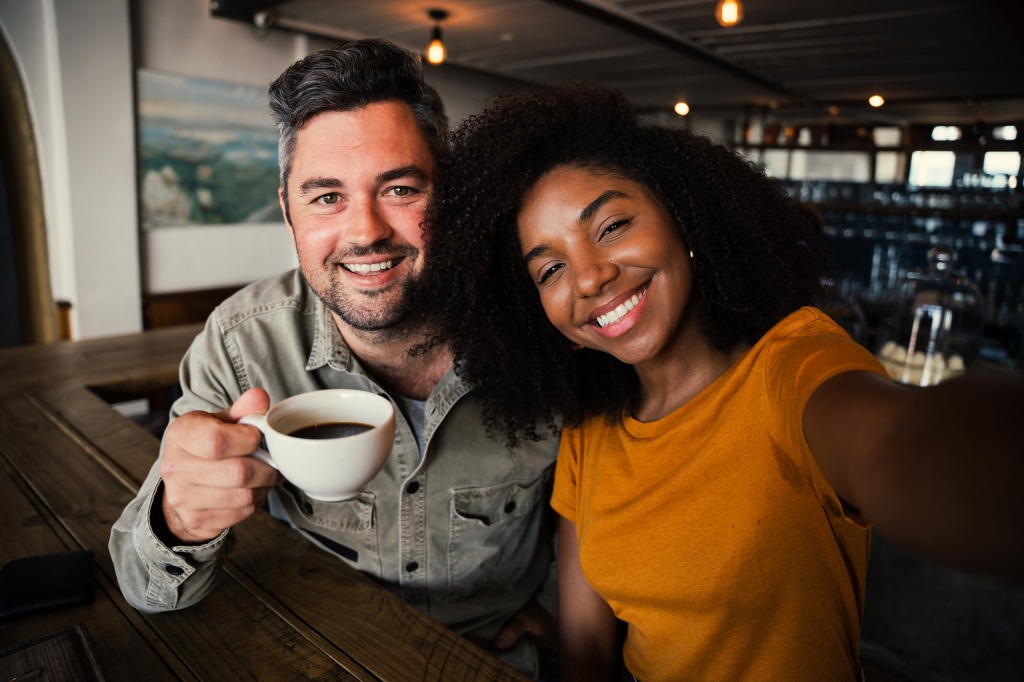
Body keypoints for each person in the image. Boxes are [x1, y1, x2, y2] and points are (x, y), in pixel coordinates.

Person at [423, 83, 1024, 681]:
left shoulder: (791, 369)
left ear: (682, 217)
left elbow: (899, 447)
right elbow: (588, 653)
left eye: (610, 227)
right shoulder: (592, 429)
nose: (590, 278)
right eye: (551, 268)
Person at [109, 39, 558, 678]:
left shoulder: (538, 327)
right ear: (288, 210)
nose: (366, 231)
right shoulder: (242, 347)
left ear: (452, 196)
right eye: (326, 197)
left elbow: (592, 508)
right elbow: (142, 584)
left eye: (400, 188)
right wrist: (178, 519)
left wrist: (562, 617)